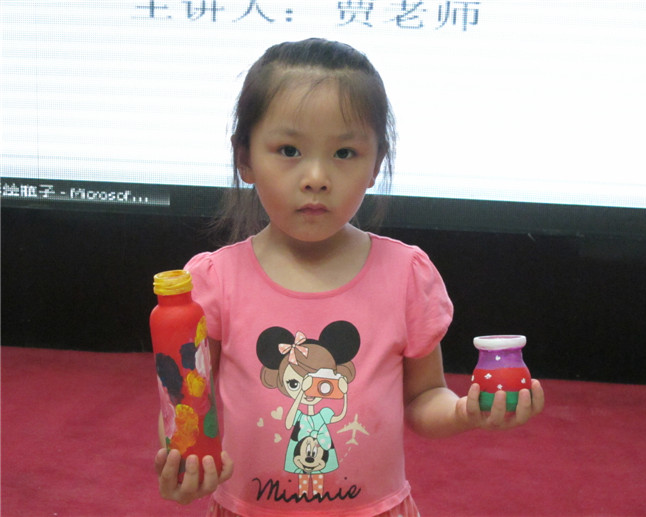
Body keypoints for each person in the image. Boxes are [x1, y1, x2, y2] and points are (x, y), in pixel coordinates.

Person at [155, 38, 545, 517]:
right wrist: (183, 467)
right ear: (245, 158)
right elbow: (185, 406)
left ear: (375, 164)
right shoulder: (214, 283)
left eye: (344, 153)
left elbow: (424, 397)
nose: (316, 177)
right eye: (289, 150)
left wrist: (468, 410)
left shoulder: (405, 275)